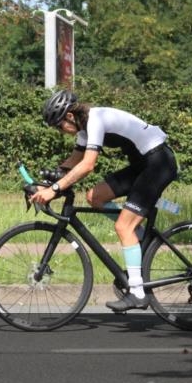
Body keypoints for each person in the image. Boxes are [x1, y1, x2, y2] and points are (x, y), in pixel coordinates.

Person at [30, 89, 178, 312]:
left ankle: (137, 294)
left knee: (122, 227)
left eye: (60, 125)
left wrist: (56, 189)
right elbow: (72, 161)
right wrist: (44, 185)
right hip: (143, 165)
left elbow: (88, 165)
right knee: (94, 197)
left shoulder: (95, 120)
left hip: (158, 163)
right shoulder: (84, 131)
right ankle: (136, 238)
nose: (61, 131)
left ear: (70, 116)